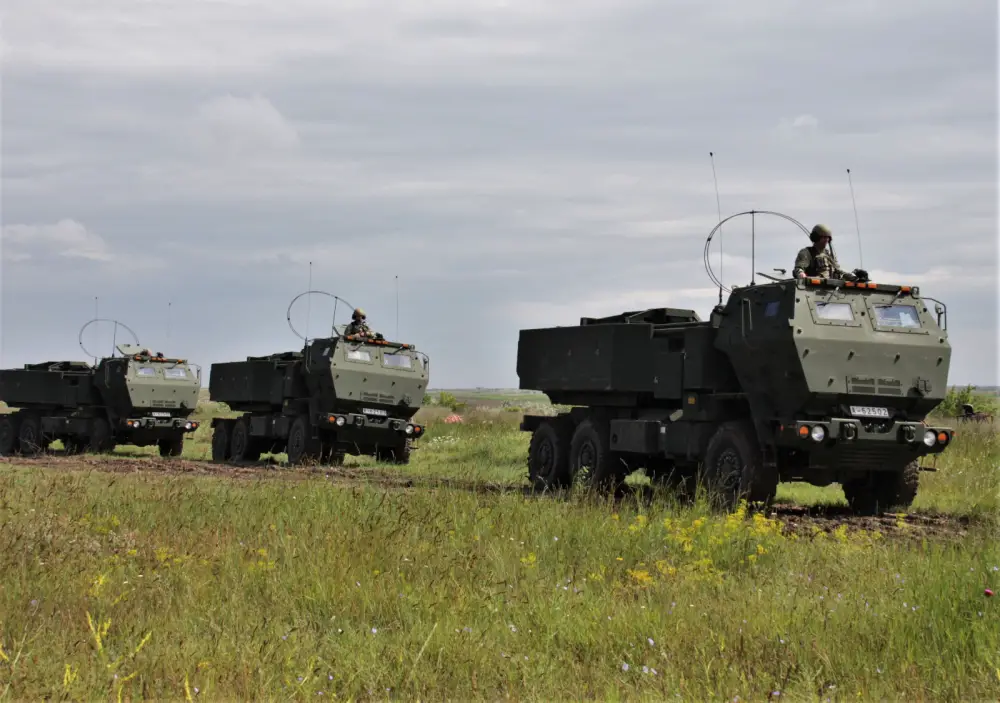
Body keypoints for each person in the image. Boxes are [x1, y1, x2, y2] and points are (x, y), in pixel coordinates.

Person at [793, 224, 859, 281]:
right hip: (814, 287)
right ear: (816, 238)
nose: (826, 240)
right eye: (824, 237)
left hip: (832, 287)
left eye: (828, 237)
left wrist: (854, 277)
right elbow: (798, 268)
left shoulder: (829, 254)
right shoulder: (806, 253)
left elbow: (838, 270)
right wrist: (801, 274)